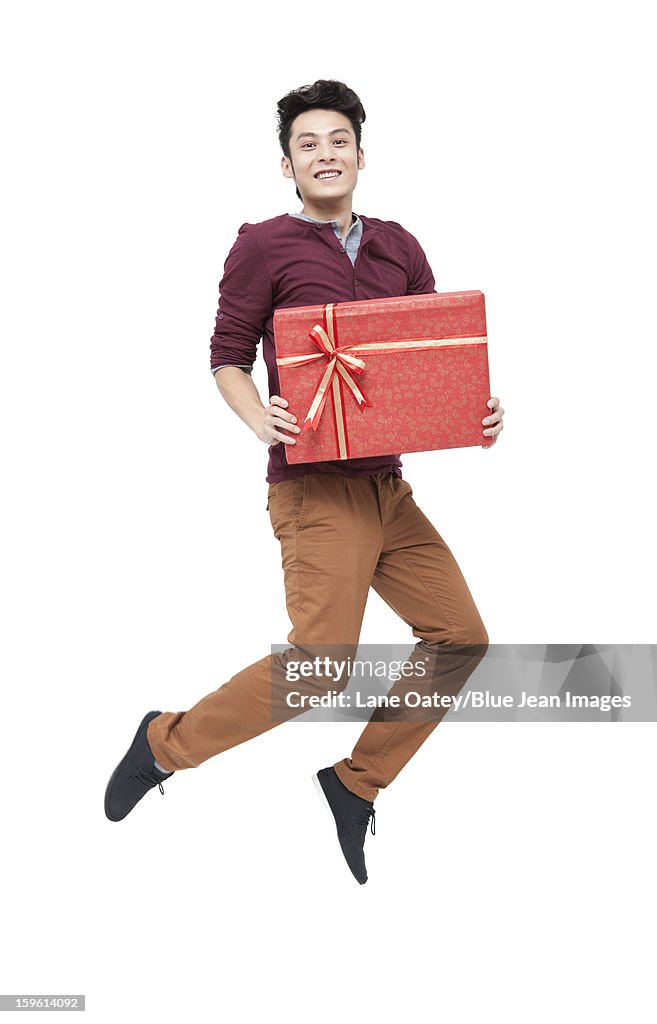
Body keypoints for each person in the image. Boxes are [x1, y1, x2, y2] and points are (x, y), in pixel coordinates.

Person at [104, 79, 505, 884]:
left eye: (338, 141)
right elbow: (226, 352)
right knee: (320, 665)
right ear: (286, 164)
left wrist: (474, 409)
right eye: (307, 144)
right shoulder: (263, 244)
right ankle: (165, 743)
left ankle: (355, 782)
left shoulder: (399, 246)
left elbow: (424, 360)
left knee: (460, 639)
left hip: (388, 491)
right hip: (314, 490)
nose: (325, 154)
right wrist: (257, 415)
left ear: (361, 154)